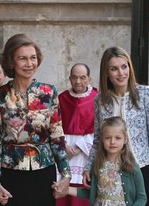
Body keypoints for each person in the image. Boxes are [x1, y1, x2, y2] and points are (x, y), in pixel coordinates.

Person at [0, 33, 71, 206]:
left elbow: (57, 136)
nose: (29, 63)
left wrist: (66, 175)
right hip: (10, 173)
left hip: (44, 173)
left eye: (33, 58)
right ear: (11, 61)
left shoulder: (49, 92)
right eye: (22, 58)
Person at [83, 46, 149, 206]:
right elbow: (98, 140)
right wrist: (88, 167)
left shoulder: (145, 94)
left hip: (141, 169)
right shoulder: (100, 100)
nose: (121, 73)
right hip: (111, 171)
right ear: (106, 73)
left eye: (124, 66)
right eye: (114, 69)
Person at [67, 116, 147, 205]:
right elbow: (92, 192)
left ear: (125, 139)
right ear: (102, 139)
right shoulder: (97, 164)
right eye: (108, 137)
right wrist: (66, 189)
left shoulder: (131, 166)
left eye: (118, 138)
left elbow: (141, 197)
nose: (112, 142)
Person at [56, 63, 97, 206]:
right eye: (74, 77)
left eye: (82, 77)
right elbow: (55, 125)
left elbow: (100, 129)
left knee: (81, 195)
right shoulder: (61, 98)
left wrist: (80, 148)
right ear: (69, 78)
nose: (78, 81)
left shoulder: (97, 98)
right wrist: (63, 145)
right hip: (64, 150)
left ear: (89, 79)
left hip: (87, 151)